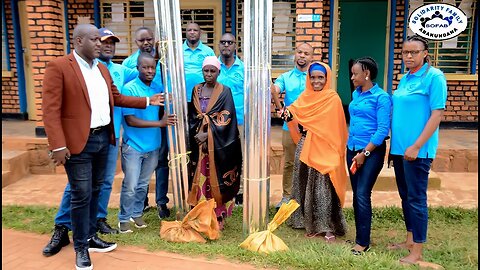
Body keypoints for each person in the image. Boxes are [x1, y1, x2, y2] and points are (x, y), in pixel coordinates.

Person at [42, 24, 163, 270]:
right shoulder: (60, 67)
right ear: (78, 41)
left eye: (102, 40)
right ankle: (79, 248)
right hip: (78, 142)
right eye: (95, 39)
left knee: (97, 189)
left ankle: (89, 235)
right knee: (80, 193)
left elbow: (117, 98)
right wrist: (57, 145)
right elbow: (50, 110)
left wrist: (148, 100)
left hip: (103, 139)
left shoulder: (104, 70)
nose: (99, 44)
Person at [388, 35, 447, 265]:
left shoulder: (434, 77)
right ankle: (409, 240)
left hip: (418, 151)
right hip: (400, 150)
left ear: (425, 53)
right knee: (406, 196)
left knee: (416, 199)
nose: (409, 56)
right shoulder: (405, 78)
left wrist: (417, 145)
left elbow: (437, 115)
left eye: (414, 52)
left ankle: (417, 252)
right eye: (405, 53)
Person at [284, 62, 348, 243]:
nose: (316, 81)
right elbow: (292, 114)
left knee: (323, 188)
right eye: (312, 77)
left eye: (320, 77)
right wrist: (286, 113)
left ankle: (326, 226)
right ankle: (303, 221)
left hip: (326, 148)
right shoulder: (305, 97)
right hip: (306, 146)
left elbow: (337, 128)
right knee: (302, 183)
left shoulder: (332, 98)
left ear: (327, 78)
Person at [118, 53, 176, 233]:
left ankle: (136, 214)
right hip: (134, 146)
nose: (149, 71)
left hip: (153, 146)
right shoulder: (130, 89)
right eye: (145, 67)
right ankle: (123, 219)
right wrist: (160, 124)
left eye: (152, 67)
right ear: (137, 68)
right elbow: (130, 120)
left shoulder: (157, 89)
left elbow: (162, 113)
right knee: (131, 184)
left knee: (143, 184)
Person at [186, 56, 242, 230]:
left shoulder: (225, 91)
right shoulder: (196, 90)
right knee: (200, 176)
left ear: (218, 72)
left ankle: (217, 214)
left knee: (215, 178)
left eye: (212, 71)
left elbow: (226, 118)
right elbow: (194, 115)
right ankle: (201, 214)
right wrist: (199, 133)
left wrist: (207, 133)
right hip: (199, 146)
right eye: (206, 70)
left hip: (218, 146)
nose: (209, 74)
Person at [346, 57, 392, 255]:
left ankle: (363, 242)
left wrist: (364, 153)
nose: (352, 77)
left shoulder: (381, 98)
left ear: (367, 74)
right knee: (357, 195)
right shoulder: (356, 95)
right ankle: (360, 236)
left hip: (370, 152)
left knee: (363, 194)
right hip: (352, 149)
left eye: (356, 73)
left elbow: (382, 130)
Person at [122, 26, 169, 218]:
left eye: (149, 39)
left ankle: (161, 202)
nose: (146, 43)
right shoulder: (128, 64)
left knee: (161, 161)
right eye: (142, 40)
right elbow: (125, 92)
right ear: (136, 43)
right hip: (139, 120)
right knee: (137, 170)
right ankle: (140, 205)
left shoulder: (163, 60)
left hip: (160, 115)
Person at [270, 43, 314, 208]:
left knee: (309, 164)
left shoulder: (315, 77)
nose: (302, 55)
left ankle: (306, 198)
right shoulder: (285, 77)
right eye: (299, 52)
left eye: (306, 53)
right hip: (290, 127)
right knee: (289, 163)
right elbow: (276, 88)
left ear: (311, 57)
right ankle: (287, 197)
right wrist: (273, 89)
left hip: (311, 128)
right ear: (295, 54)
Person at [216, 33, 245, 205]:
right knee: (220, 155)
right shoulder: (213, 66)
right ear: (219, 45)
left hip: (239, 120)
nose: (226, 45)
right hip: (218, 122)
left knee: (239, 156)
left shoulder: (243, 68)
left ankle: (239, 190)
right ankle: (221, 187)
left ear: (235, 45)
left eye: (230, 42)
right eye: (223, 42)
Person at [183, 22, 215, 103]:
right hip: (182, 96)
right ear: (185, 33)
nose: (192, 32)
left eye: (195, 30)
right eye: (189, 30)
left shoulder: (208, 51)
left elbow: (215, 72)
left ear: (200, 33)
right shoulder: (177, 50)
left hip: (203, 96)